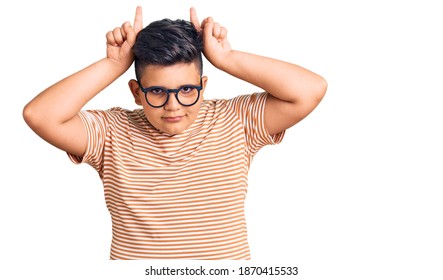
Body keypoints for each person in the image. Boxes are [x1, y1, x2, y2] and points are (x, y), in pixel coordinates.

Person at [23, 6, 327, 260]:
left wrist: (226, 58)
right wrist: (113, 64)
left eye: (186, 89)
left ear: (203, 87)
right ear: (136, 92)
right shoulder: (110, 133)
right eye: (157, 91)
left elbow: (310, 90)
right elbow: (40, 115)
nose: (173, 105)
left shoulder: (237, 120)